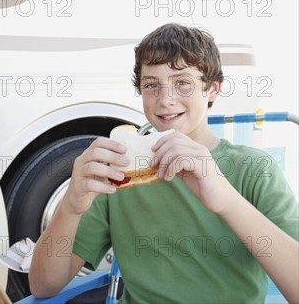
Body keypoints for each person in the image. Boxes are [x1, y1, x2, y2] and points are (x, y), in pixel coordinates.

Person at [29, 23, 299, 303]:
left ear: (213, 89)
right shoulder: (119, 171)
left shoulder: (255, 169)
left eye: (182, 82)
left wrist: (227, 201)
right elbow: (43, 285)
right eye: (151, 85)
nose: (165, 100)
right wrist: (71, 207)